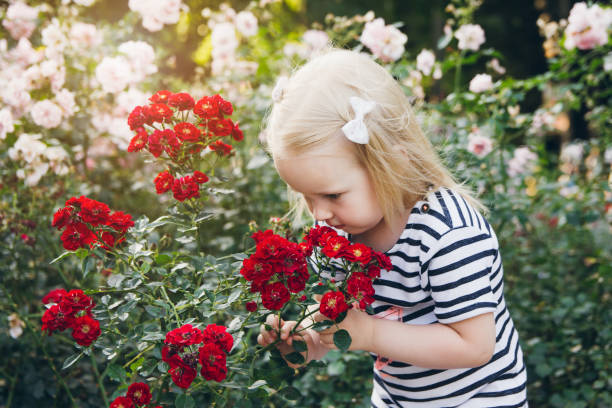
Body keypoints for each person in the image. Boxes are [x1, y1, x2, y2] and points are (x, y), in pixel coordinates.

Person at [257, 48, 527, 408]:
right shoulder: (340, 236)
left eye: (332, 194)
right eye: (305, 195)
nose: (319, 213)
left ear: (392, 166)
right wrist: (309, 341)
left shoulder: (447, 234)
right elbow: (341, 326)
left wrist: (369, 332)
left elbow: (474, 346)